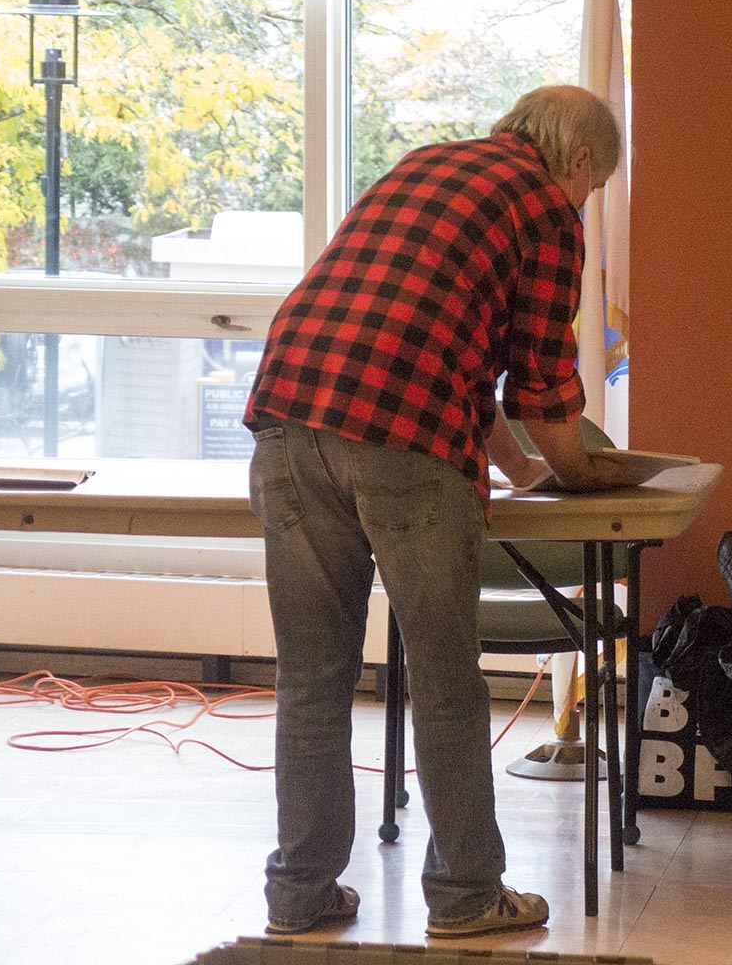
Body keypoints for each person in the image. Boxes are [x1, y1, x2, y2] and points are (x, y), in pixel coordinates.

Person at [243, 84, 634, 939]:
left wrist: (520, 469)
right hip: (403, 449)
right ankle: (465, 897)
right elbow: (539, 380)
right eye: (596, 186)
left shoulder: (422, 166)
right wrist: (578, 475)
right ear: (577, 162)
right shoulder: (544, 209)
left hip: (285, 420)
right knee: (447, 679)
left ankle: (300, 897)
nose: (587, 201)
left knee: (312, 679)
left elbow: (436, 345)